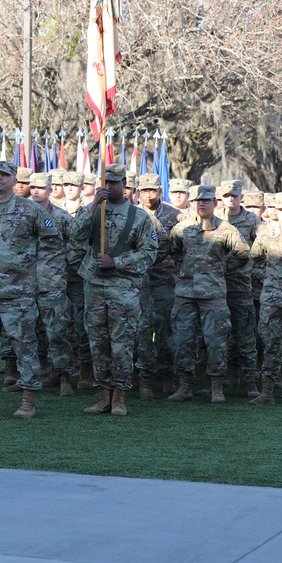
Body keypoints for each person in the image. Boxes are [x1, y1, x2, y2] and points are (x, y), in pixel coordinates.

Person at [0, 161, 60, 419]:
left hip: (19, 292)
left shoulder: (31, 211)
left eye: (5, 175)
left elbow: (53, 243)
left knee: (24, 345)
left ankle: (28, 401)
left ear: (15, 180)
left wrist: (31, 270)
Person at [69, 164, 160, 416]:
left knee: (121, 343)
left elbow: (149, 254)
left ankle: (120, 396)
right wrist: (92, 206)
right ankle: (103, 396)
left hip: (123, 288)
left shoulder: (139, 217)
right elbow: (74, 236)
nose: (109, 187)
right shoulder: (92, 211)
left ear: (125, 186)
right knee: (97, 342)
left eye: (114, 183)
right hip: (95, 285)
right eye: (105, 182)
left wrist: (117, 262)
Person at [166, 185, 250, 403]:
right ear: (192, 203)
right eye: (197, 200)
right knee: (183, 340)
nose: (201, 204)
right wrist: (184, 270)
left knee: (216, 342)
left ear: (215, 203)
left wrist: (221, 269)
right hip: (185, 295)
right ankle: (184, 386)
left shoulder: (227, 230)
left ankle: (216, 386)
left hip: (213, 296)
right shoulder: (181, 228)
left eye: (206, 200)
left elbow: (242, 255)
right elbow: (173, 252)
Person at [249, 192, 282, 405]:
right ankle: (267, 393)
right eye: (280, 210)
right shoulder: (266, 232)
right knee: (270, 344)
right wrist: (271, 279)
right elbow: (257, 257)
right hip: (271, 299)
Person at [134, 173, 182, 399]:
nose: (148, 195)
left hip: (164, 281)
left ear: (160, 191)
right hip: (138, 281)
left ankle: (168, 375)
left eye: (152, 190)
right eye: (144, 191)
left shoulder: (174, 215)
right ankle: (143, 378)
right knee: (142, 330)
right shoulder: (132, 213)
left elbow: (181, 247)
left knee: (166, 331)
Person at [29, 172, 75, 396]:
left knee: (57, 332)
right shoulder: (20, 214)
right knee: (28, 334)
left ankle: (64, 377)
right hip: (24, 284)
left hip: (52, 284)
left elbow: (78, 242)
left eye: (40, 187)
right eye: (32, 187)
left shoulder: (61, 217)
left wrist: (63, 261)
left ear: (50, 189)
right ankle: (31, 377)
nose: (36, 191)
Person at [217, 179, 261, 396]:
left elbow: (260, 249)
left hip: (241, 285)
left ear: (240, 197)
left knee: (245, 334)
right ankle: (222, 377)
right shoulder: (215, 220)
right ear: (221, 198)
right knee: (219, 335)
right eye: (226, 196)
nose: (231, 199)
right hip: (216, 286)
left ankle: (251, 381)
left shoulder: (251, 220)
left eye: (234, 195)